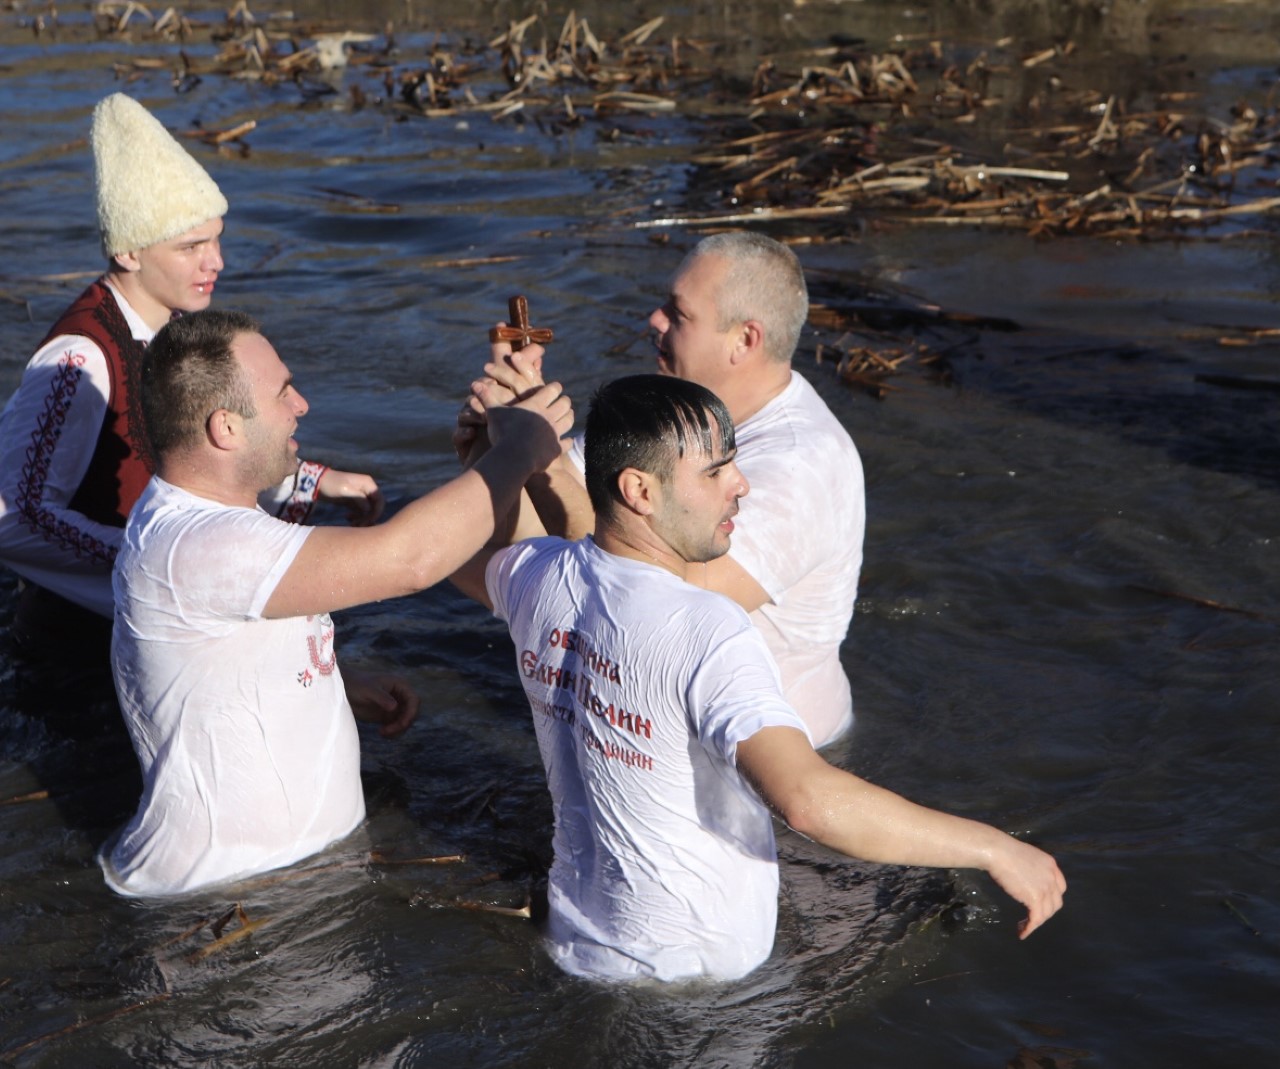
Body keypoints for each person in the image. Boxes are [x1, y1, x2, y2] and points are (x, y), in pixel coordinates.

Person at [450, 374, 1064, 983]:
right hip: (696, 979)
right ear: (639, 489)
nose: (740, 487)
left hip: (576, 945)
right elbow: (808, 801)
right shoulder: (705, 626)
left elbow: (456, 554)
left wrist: (487, 458)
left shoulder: (537, 579)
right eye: (714, 472)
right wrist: (995, 848)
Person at [100, 309, 571, 897]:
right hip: (232, 903)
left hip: (276, 884)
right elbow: (409, 562)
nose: (302, 404)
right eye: (282, 393)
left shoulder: (196, 519)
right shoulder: (203, 545)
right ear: (226, 428)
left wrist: (329, 679)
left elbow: (218, 648)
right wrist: (520, 451)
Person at [0, 92, 381, 669]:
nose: (217, 261)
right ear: (127, 251)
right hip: (80, 643)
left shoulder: (175, 328)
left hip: (151, 620)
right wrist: (154, 561)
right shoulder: (80, 359)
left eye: (217, 238)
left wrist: (310, 482)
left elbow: (201, 448)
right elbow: (16, 514)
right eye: (192, 246)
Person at [465, 232, 863, 748]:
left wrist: (542, 455)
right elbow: (534, 533)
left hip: (771, 766)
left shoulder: (800, 464)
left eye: (678, 314)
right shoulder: (667, 417)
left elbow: (662, 599)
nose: (654, 320)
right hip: (647, 724)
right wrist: (506, 440)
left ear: (745, 340)